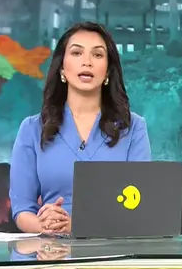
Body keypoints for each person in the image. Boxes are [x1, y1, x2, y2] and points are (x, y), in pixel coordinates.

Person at [9, 21, 151, 239]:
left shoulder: (133, 128)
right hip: (52, 251)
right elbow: (22, 209)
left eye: (97, 55)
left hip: (114, 249)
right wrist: (45, 224)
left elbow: (139, 207)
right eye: (76, 53)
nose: (87, 62)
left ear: (108, 71)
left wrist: (77, 225)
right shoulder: (32, 129)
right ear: (62, 68)